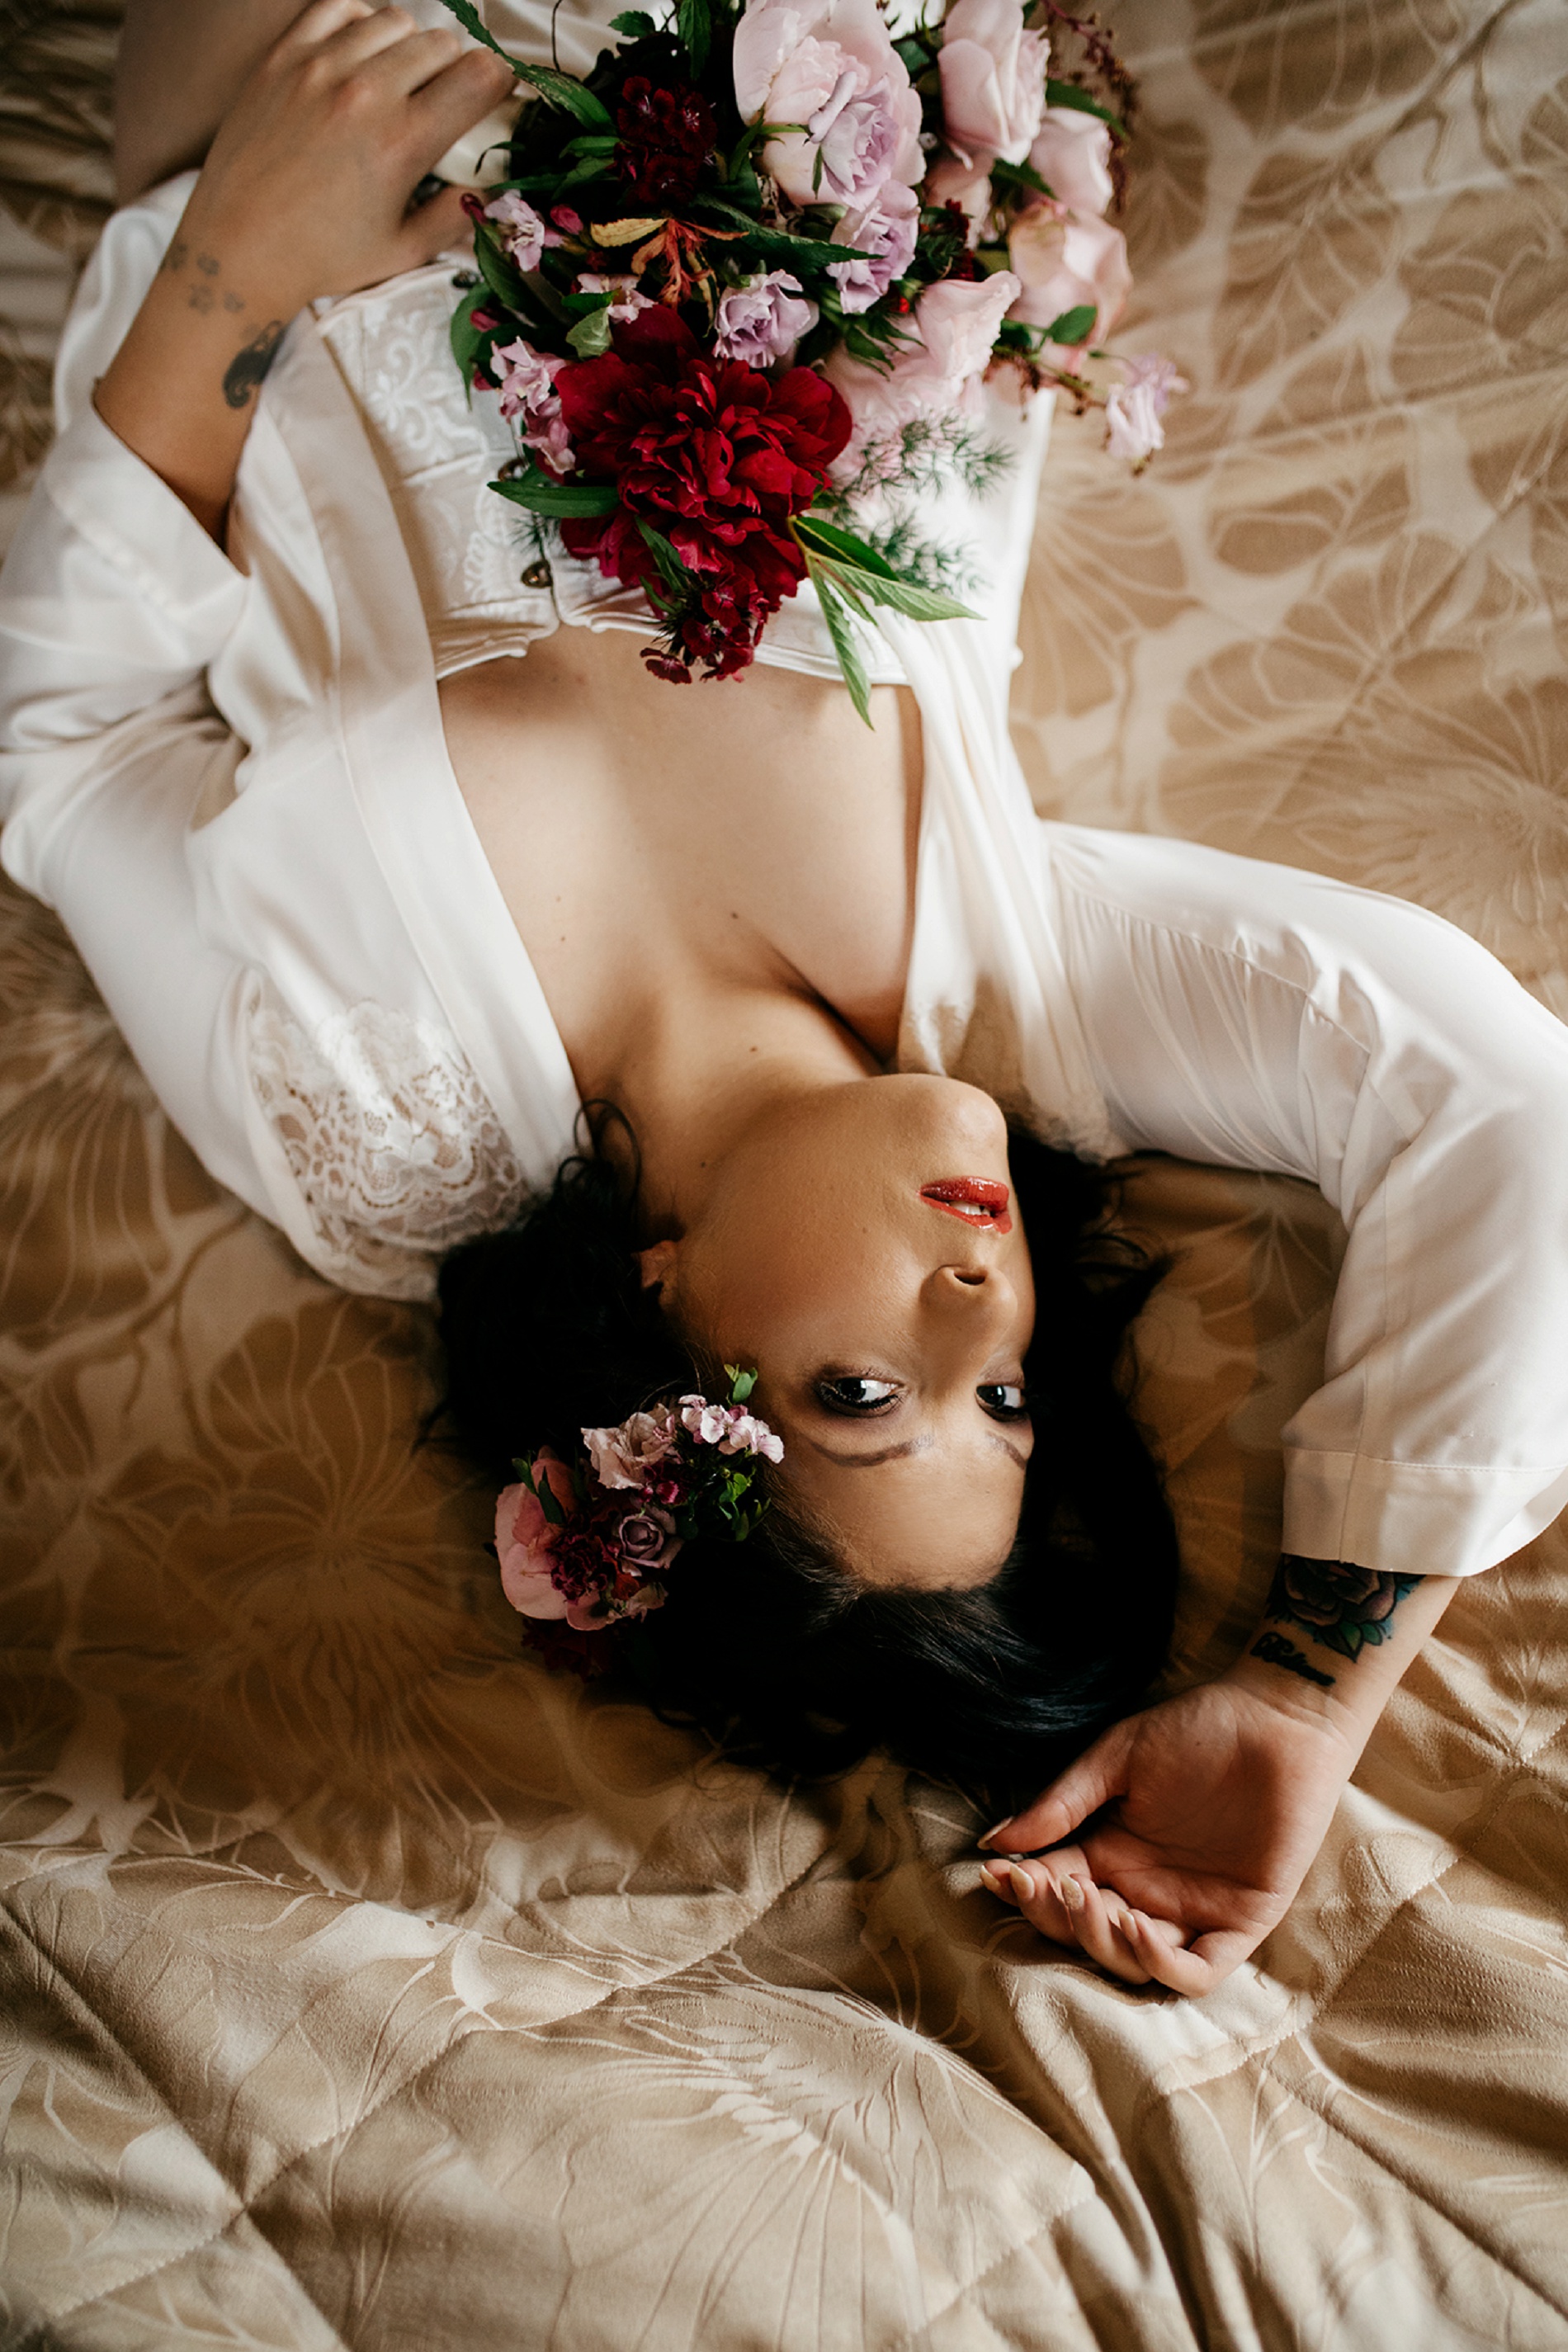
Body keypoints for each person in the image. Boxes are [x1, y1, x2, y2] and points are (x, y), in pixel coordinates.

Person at [2, 0, 1566, 1998]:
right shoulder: (1022, 993)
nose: (979, 1303)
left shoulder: (382, 1135)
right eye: (1010, 1399)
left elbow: (64, 751)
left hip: (315, 90)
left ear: (658, 1328)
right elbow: (1500, 1110)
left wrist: (233, 264)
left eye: (863, 1397)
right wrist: (1305, 1693)